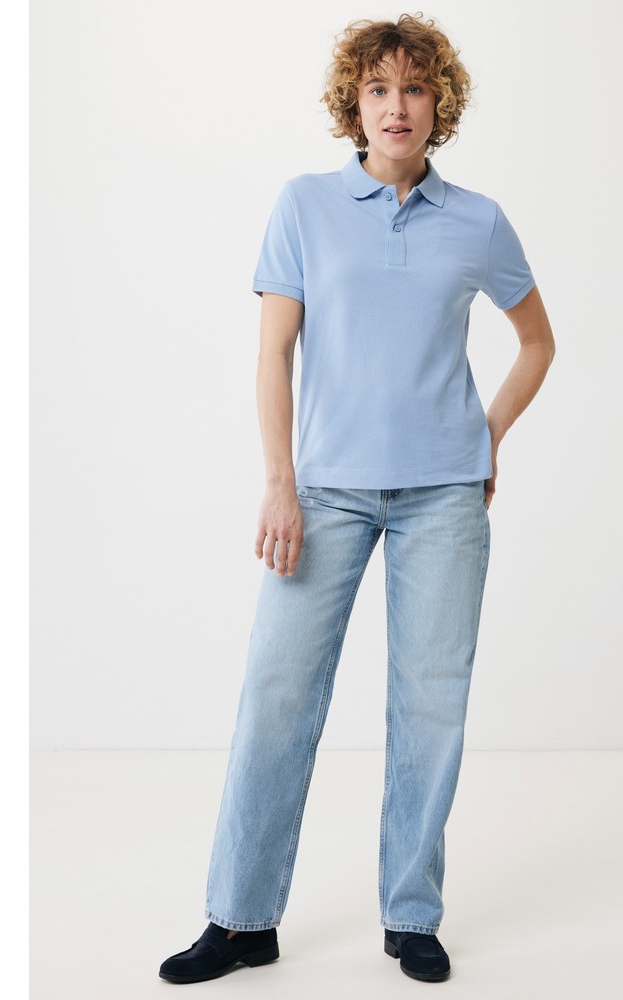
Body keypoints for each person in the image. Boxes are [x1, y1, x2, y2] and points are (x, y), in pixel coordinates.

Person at [159, 12, 555, 986]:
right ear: (353, 103)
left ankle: (411, 914)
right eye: (378, 89)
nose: (395, 106)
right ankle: (241, 918)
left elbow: (538, 341)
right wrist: (278, 482)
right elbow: (274, 354)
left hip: (443, 498)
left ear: (438, 103)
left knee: (430, 706)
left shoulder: (478, 221)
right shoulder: (304, 205)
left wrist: (489, 433)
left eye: (414, 88)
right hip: (325, 491)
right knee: (277, 695)